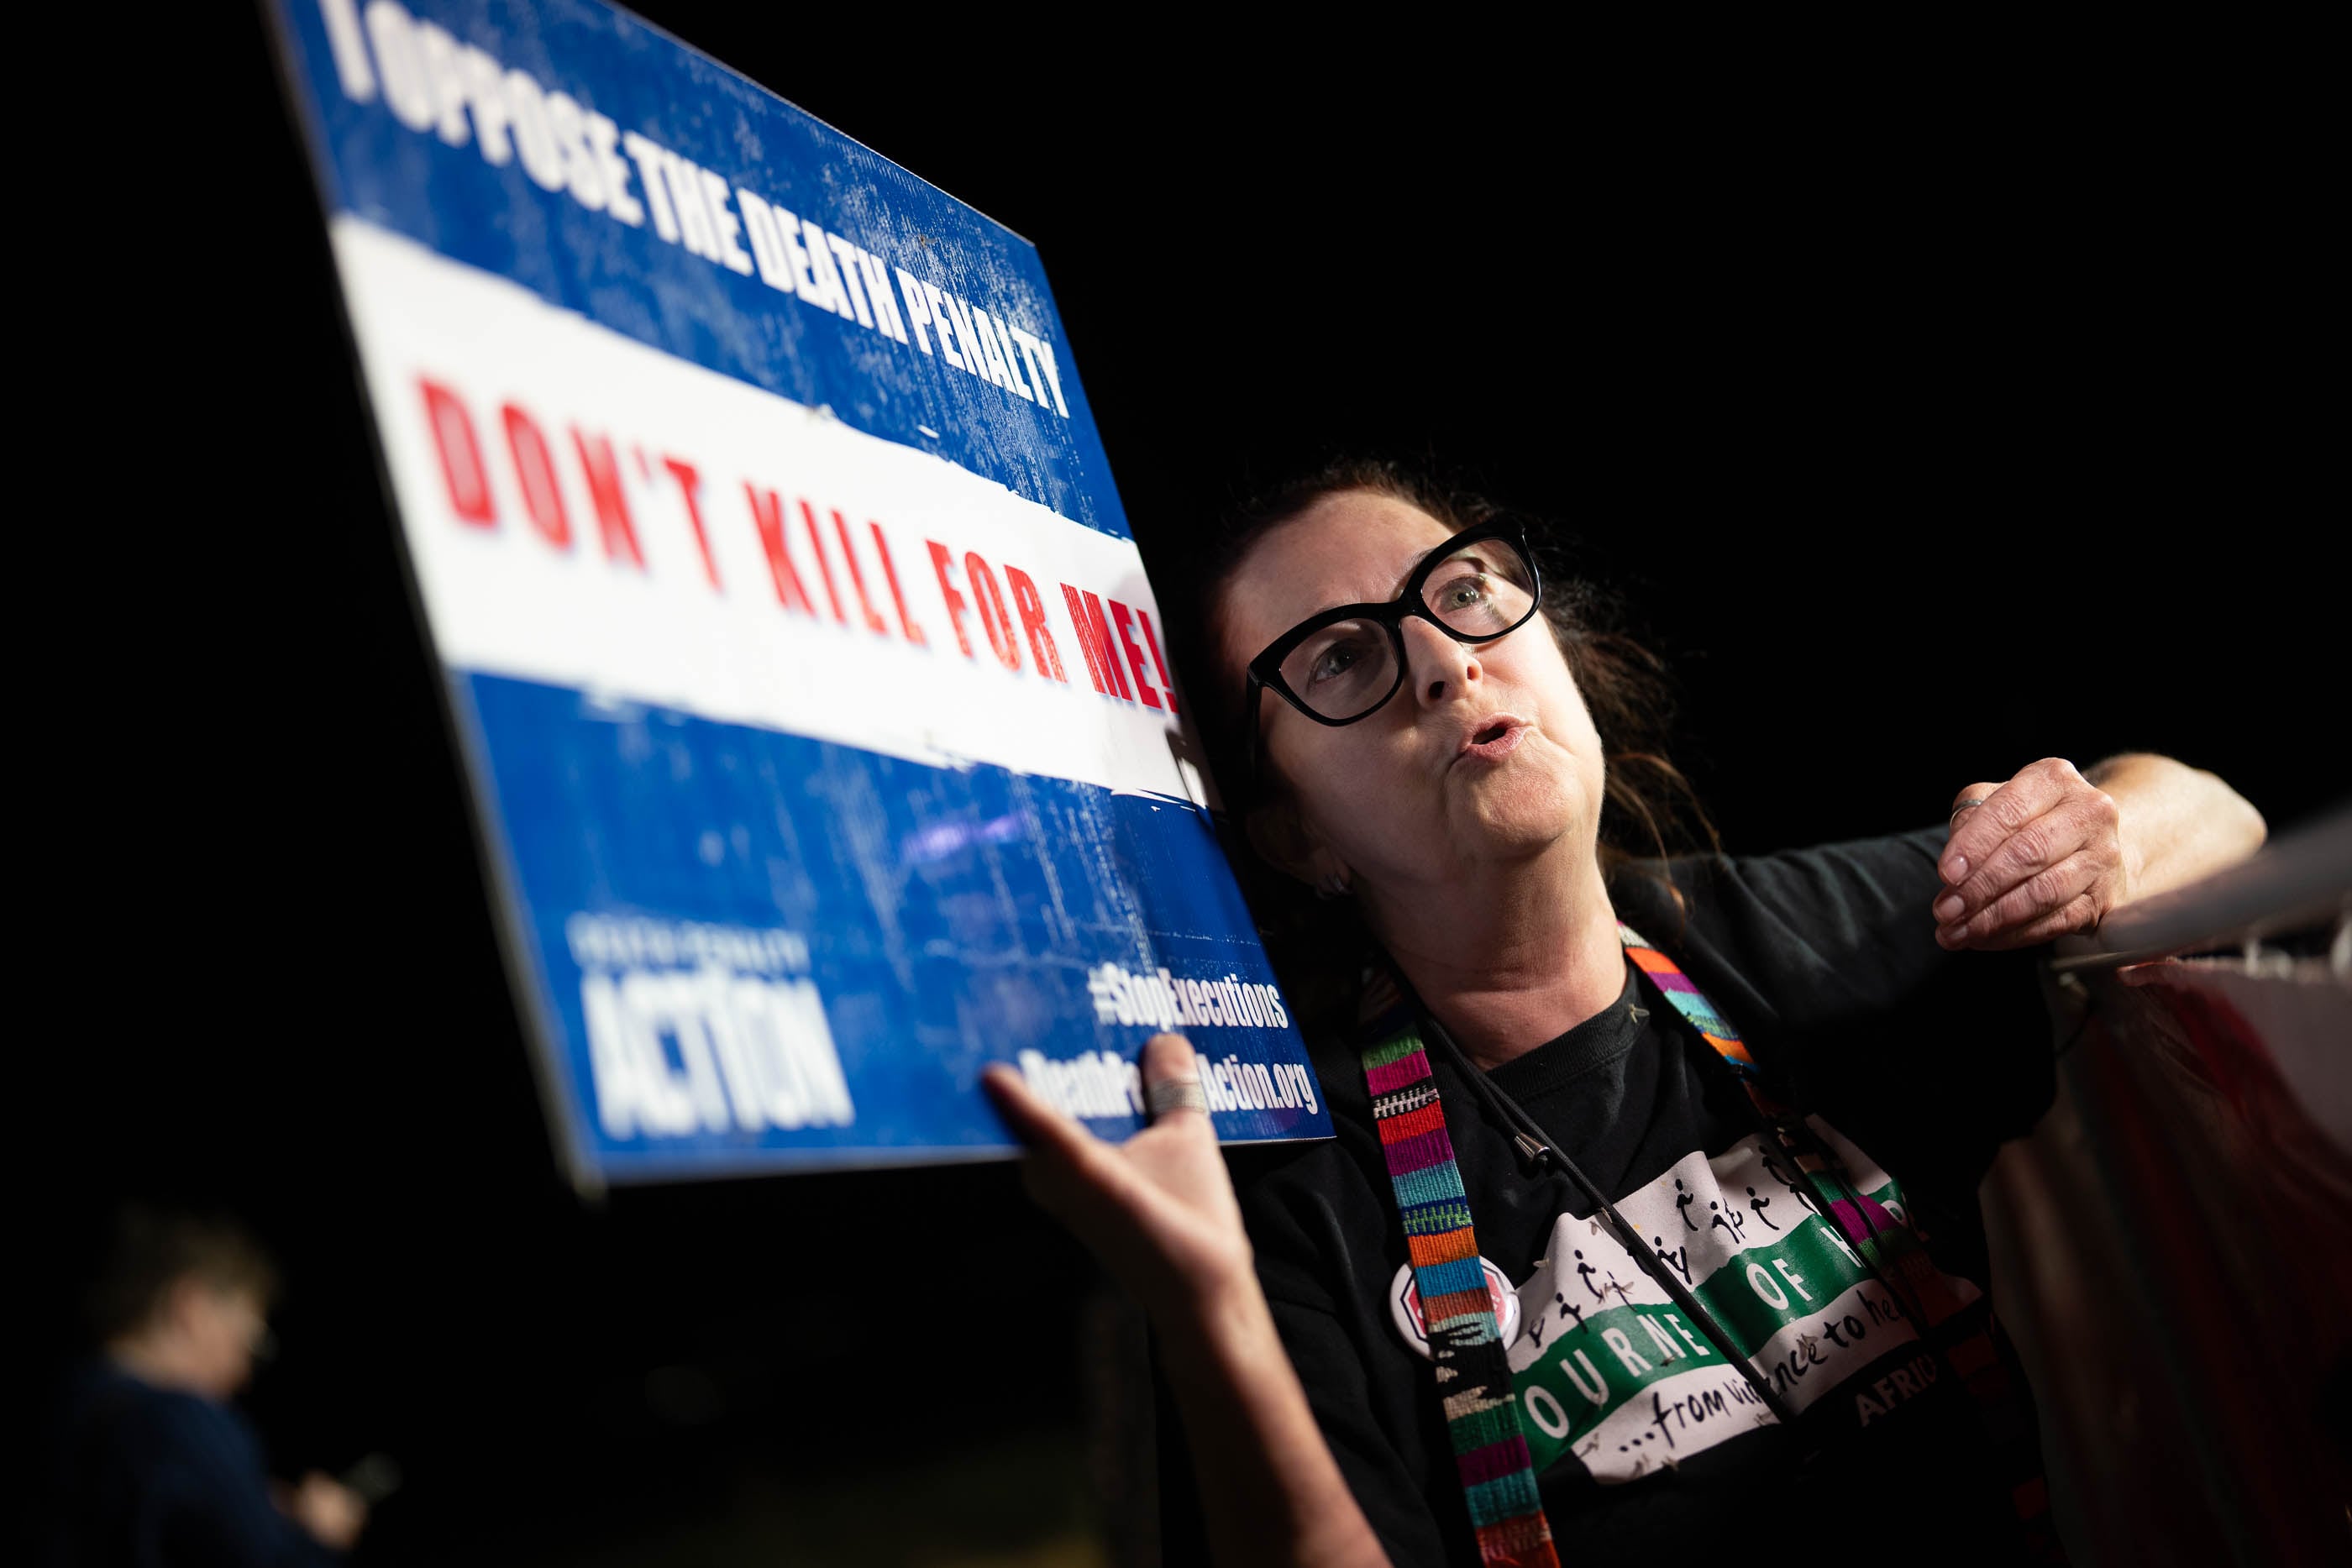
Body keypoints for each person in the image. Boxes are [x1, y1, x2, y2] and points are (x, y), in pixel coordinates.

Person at [984, 461, 2266, 1567]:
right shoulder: (1298, 1186)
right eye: (1342, 656)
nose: (1441, 657)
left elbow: (2212, 808)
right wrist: (1210, 1309)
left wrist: (2095, 836)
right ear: (1297, 832)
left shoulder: (1768, 943)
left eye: (1463, 587)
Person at [50, 1208, 368, 1566]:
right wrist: (314, 1537)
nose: (244, 1372)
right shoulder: (183, 1423)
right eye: (251, 1343)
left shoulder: (62, 1401)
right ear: (193, 1309)